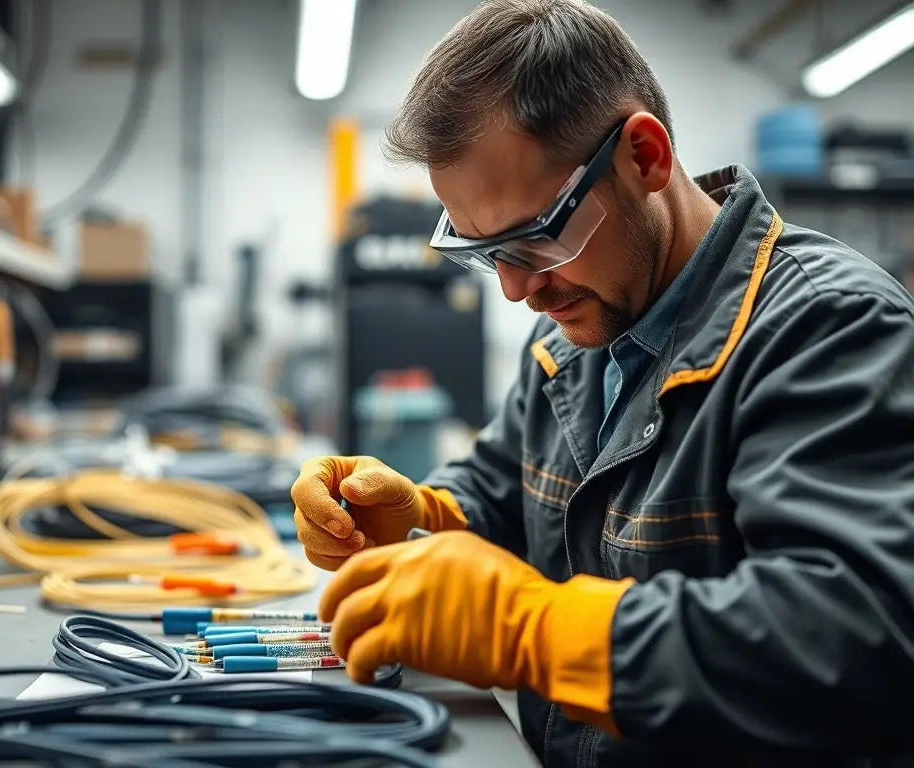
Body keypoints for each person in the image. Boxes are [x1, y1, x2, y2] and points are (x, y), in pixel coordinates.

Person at [291, 1, 914, 765]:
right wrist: (417, 516)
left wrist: (538, 630)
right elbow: (502, 499)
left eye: (536, 238)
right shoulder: (571, 334)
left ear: (644, 156)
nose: (517, 291)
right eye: (486, 254)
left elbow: (854, 637)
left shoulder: (827, 326)